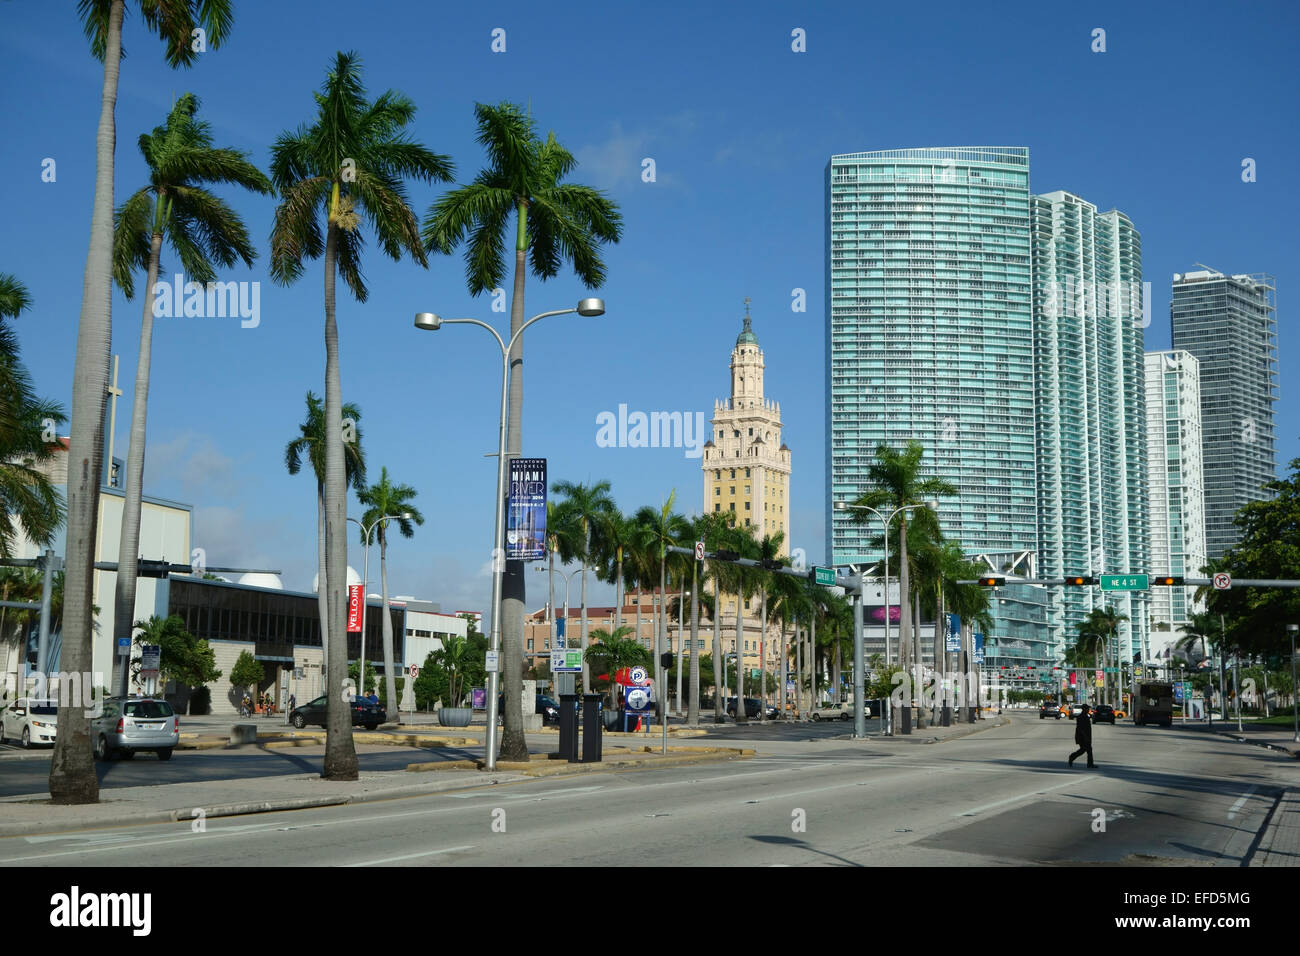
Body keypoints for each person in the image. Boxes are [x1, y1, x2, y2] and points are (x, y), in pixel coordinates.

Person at [1069, 702, 1096, 768]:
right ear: (1084, 709)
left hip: (1086, 737)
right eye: (1087, 708)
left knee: (1086, 750)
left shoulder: (1086, 716)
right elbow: (1081, 729)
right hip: (1083, 737)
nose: (1088, 710)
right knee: (1085, 749)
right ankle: (1072, 757)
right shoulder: (1081, 717)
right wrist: (1085, 737)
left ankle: (1090, 764)